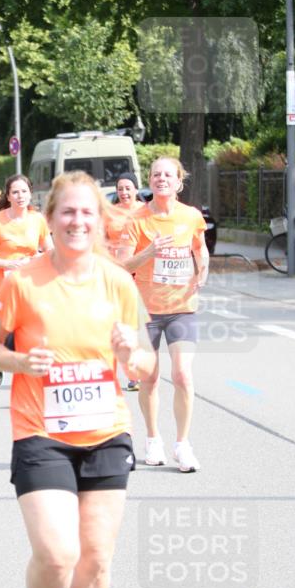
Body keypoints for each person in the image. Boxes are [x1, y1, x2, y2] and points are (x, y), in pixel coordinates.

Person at [0, 171, 155, 588]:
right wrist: (19, 361)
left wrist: (131, 357)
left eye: (87, 213)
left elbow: (145, 367)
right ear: (50, 219)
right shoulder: (23, 280)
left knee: (96, 558)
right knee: (58, 555)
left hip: (106, 434)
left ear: (100, 222)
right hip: (41, 434)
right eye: (68, 212)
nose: (78, 221)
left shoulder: (117, 282)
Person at [121, 156, 209, 472]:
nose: (161, 179)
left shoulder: (191, 217)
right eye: (156, 174)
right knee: (150, 378)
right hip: (146, 311)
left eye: (167, 174)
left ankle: (182, 445)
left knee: (183, 374)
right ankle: (153, 438)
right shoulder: (136, 220)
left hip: (182, 309)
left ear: (178, 182)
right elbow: (122, 265)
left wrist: (203, 272)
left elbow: (200, 249)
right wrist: (149, 252)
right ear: (151, 180)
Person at [0, 174, 53, 388]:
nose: (20, 196)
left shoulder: (37, 219)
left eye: (24, 191)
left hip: (31, 285)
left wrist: (41, 257)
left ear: (30, 194)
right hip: (3, 286)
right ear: (9, 196)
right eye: (15, 192)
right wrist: (8, 264)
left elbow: (50, 249)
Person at [103, 172, 143, 392]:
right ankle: (124, 373)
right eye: (120, 189)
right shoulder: (111, 213)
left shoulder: (145, 212)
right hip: (117, 274)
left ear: (136, 189)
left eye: (128, 188)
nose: (124, 192)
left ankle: (135, 372)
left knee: (135, 327)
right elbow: (102, 241)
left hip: (141, 275)